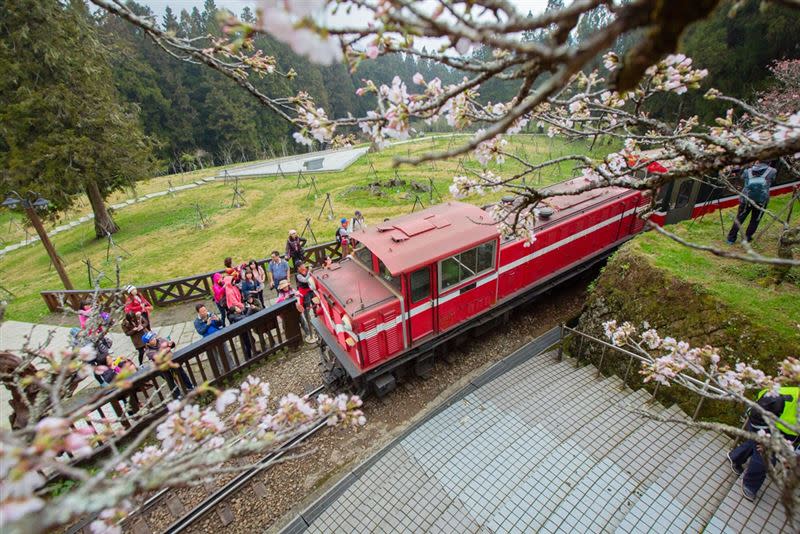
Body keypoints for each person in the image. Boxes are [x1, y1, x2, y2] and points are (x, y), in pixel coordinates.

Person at [727, 386, 798, 501]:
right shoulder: (786, 397)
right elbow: (759, 409)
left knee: (754, 444)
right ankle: (749, 485)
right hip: (763, 424)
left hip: (782, 431)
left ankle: (735, 458)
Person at [726, 161, 777, 244]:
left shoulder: (747, 171)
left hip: (746, 199)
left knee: (739, 218)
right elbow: (772, 180)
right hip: (762, 201)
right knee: (755, 220)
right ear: (770, 162)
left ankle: (731, 239)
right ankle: (746, 239)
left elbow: (742, 178)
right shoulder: (773, 171)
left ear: (758, 160)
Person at [142, 331, 194, 399]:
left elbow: (172, 346)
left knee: (182, 373)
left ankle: (189, 386)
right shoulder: (148, 352)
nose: (154, 339)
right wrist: (164, 349)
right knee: (170, 380)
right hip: (163, 367)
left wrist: (171, 344)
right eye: (151, 339)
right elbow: (157, 356)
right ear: (147, 343)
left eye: (153, 337)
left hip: (172, 361)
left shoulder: (161, 340)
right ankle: (177, 395)